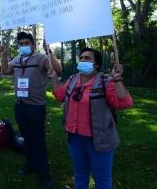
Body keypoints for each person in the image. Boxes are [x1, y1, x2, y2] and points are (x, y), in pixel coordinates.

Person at [52, 47, 133, 189]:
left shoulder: (105, 81)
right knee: (80, 174)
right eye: (81, 57)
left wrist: (117, 78)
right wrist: (53, 78)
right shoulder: (72, 79)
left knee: (101, 179)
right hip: (75, 138)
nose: (82, 60)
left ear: (96, 64)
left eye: (87, 58)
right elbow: (60, 96)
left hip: (99, 139)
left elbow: (124, 102)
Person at [0, 32, 61, 188]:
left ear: (33, 44)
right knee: (26, 138)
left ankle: (44, 174)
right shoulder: (17, 59)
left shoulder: (41, 58)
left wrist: (50, 52)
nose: (24, 45)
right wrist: (4, 55)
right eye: (21, 43)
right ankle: (30, 164)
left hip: (36, 107)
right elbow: (5, 70)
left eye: (27, 42)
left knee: (38, 140)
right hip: (20, 106)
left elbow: (57, 70)